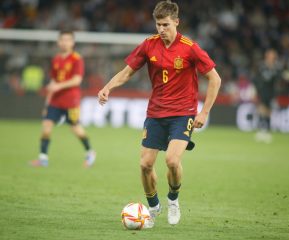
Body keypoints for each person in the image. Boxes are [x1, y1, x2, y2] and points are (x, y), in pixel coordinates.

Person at [98, 0, 221, 227]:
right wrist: (108, 87)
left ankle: (173, 199)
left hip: (183, 113)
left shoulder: (190, 48)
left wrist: (204, 112)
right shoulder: (148, 45)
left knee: (172, 160)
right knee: (145, 164)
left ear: (176, 22)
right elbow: (127, 73)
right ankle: (153, 206)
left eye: (165, 24)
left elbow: (215, 78)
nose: (161, 29)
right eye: (158, 25)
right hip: (155, 113)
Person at [31, 30, 96, 168]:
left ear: (72, 42)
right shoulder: (56, 59)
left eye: (68, 40)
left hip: (71, 101)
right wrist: (47, 103)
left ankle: (90, 152)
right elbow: (53, 83)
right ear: (58, 42)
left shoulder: (77, 59)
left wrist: (58, 86)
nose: (65, 43)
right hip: (55, 101)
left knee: (76, 129)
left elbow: (77, 80)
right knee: (46, 128)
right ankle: (43, 158)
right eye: (62, 40)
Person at [254, 49, 281, 143]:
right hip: (262, 91)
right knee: (262, 109)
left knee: (268, 111)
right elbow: (256, 78)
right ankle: (261, 130)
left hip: (271, 92)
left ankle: (268, 131)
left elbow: (278, 79)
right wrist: (257, 89)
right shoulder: (262, 66)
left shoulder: (276, 67)